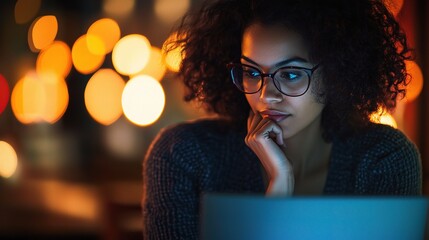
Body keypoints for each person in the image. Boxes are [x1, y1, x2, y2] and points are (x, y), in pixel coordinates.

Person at [142, 0, 422, 239]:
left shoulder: (381, 158)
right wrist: (278, 192)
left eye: (290, 74)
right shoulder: (184, 154)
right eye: (252, 72)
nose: (266, 96)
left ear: (335, 74)